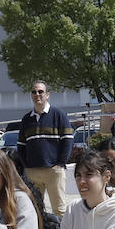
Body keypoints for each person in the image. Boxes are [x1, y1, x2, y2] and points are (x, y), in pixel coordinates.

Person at [17, 80, 73, 216]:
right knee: (34, 209)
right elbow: (21, 146)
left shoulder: (59, 115)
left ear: (47, 95)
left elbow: (67, 141)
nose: (37, 94)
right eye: (34, 92)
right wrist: (26, 167)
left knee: (59, 210)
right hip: (33, 172)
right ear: (31, 96)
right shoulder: (26, 119)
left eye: (40, 91)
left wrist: (60, 164)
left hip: (54, 171)